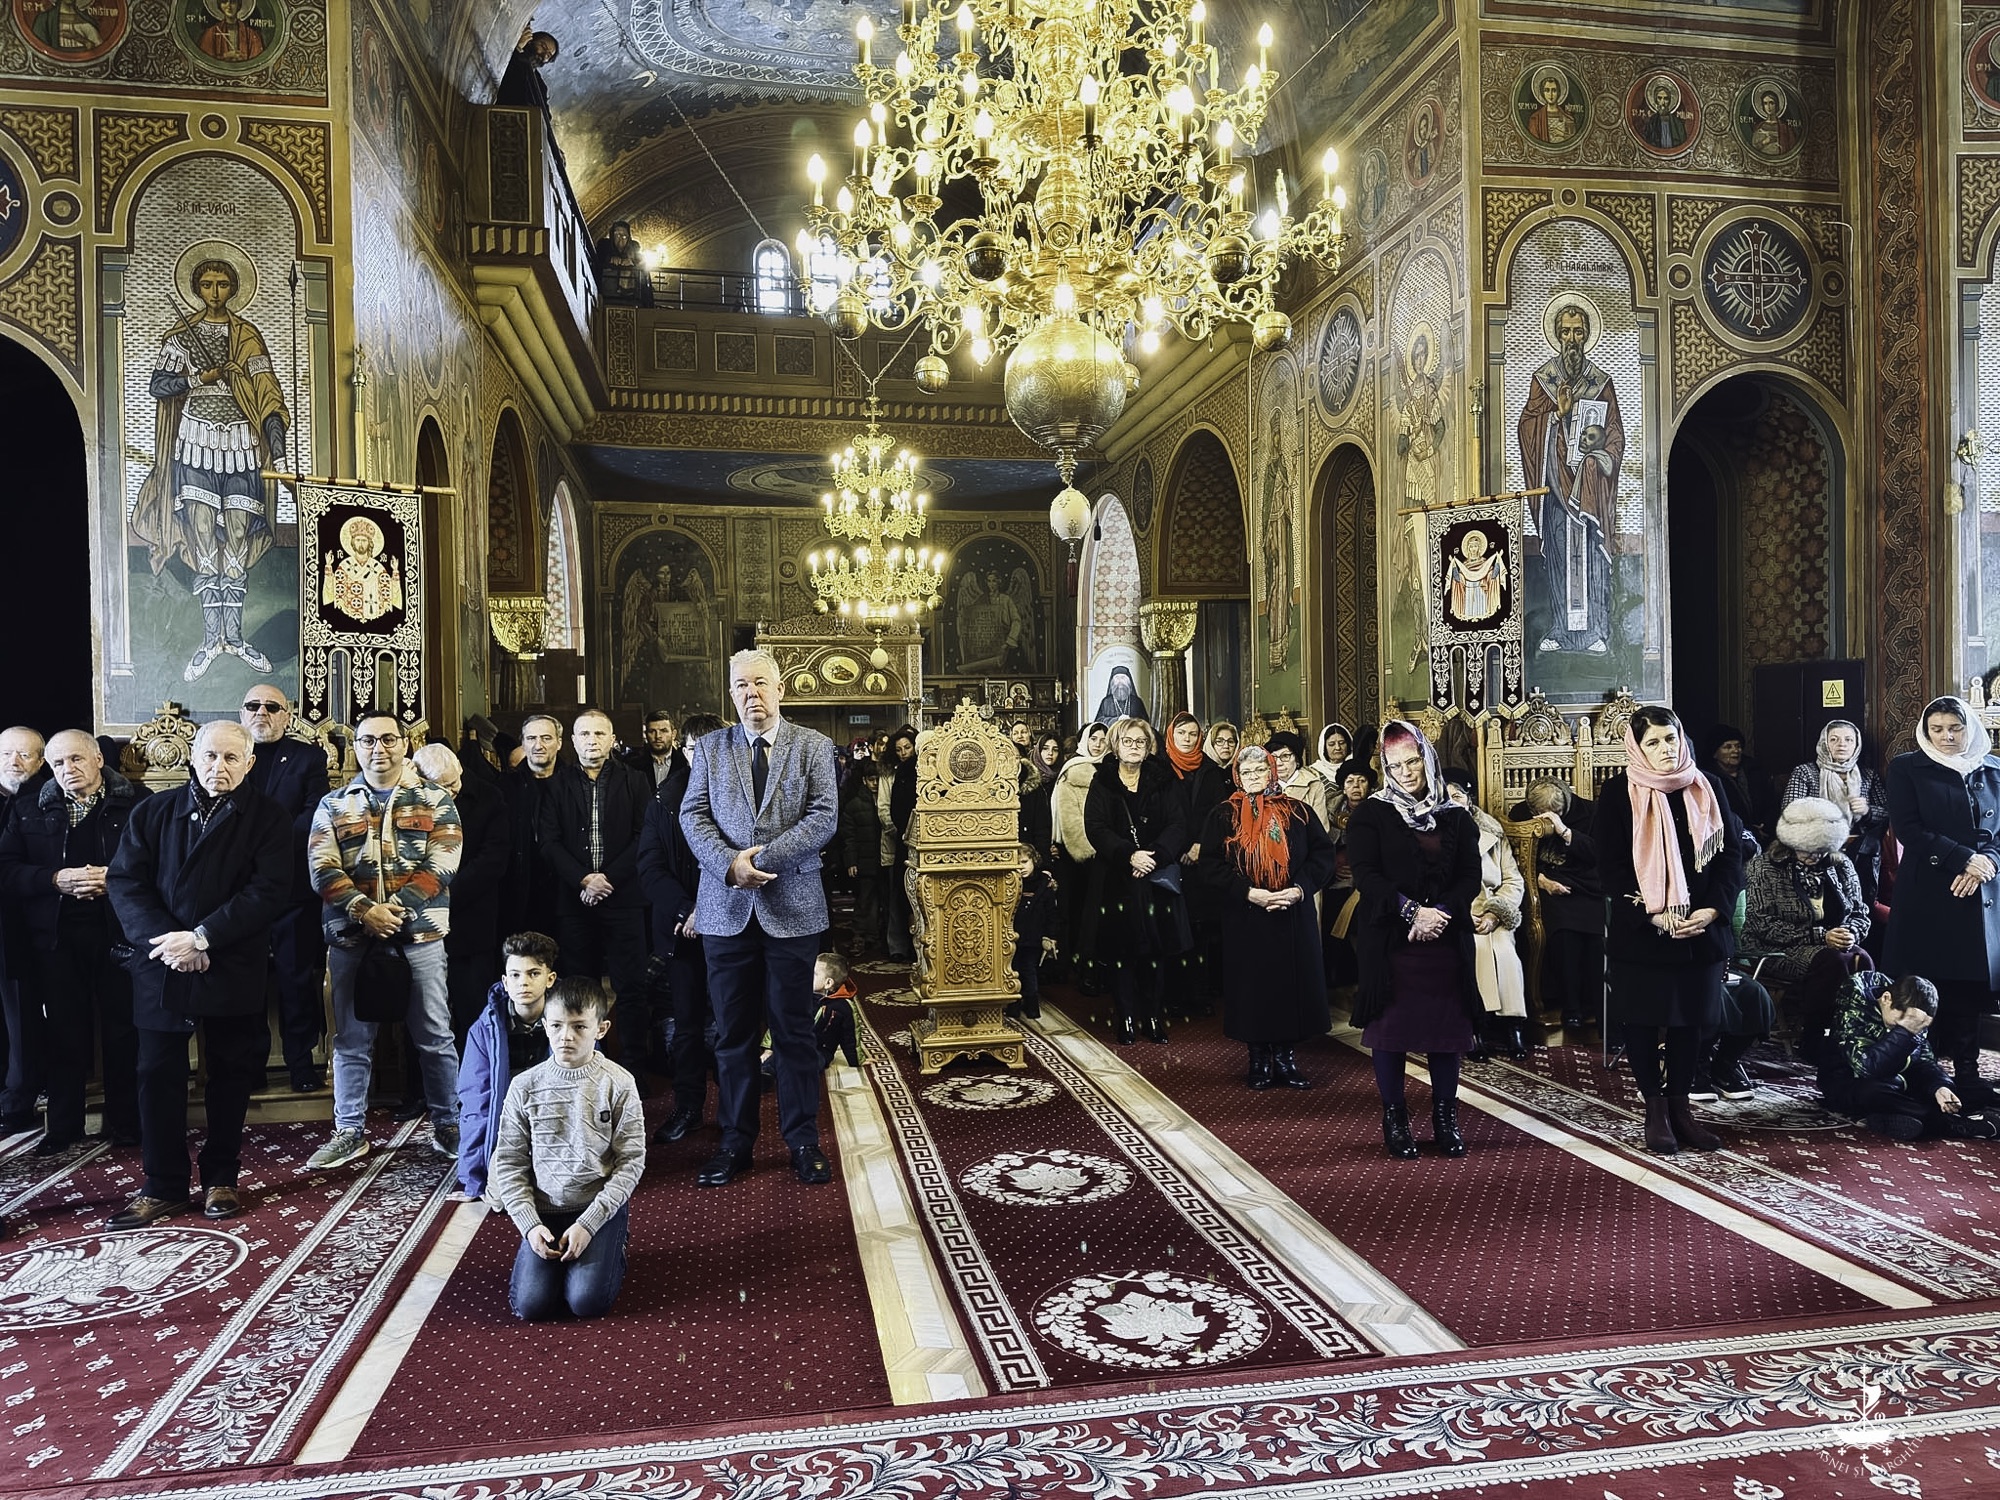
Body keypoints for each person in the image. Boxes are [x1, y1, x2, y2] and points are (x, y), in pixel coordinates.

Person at [105, 722, 291, 1227]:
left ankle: (221, 1179)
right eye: (210, 756)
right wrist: (172, 942)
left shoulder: (269, 818)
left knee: (230, 1073)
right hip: (162, 960)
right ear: (193, 757)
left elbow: (268, 892)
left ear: (249, 763)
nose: (218, 767)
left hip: (228, 959)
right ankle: (162, 1185)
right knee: (156, 1074)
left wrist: (204, 937)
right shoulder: (153, 811)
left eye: (231, 758)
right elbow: (126, 883)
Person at [679, 649, 841, 1187]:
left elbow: (824, 817)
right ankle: (735, 1142)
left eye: (761, 683)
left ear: (780, 689)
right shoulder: (711, 748)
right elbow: (693, 815)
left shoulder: (813, 746)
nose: (752, 693)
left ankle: (803, 1141)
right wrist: (730, 865)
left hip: (792, 908)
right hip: (725, 911)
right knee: (732, 1035)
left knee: (794, 1032)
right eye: (742, 685)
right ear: (731, 693)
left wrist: (761, 861)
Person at [305, 714, 462, 1172]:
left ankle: (449, 1123)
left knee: (434, 1035)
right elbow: (322, 868)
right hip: (352, 938)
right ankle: (349, 1131)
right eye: (369, 740)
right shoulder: (334, 804)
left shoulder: (435, 800)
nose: (379, 748)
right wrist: (363, 911)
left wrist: (391, 911)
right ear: (356, 746)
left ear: (405, 744)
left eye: (389, 739)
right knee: (351, 1040)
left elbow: (443, 863)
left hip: (420, 936)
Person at [1598, 705, 1746, 1156]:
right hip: (1644, 933)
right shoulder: (1617, 792)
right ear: (1637, 748)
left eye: (1671, 739)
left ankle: (1682, 1109)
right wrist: (1652, 913)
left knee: (1691, 1024)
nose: (1665, 749)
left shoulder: (1708, 784)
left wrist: (1713, 910)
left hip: (1700, 931)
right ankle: (1656, 1111)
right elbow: (1610, 867)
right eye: (1653, 742)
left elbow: (1730, 857)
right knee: (1643, 1023)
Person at [132, 256, 289, 681]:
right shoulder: (181, 336)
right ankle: (209, 641)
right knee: (202, 535)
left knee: (237, 536)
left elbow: (268, 396)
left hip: (240, 442)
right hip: (196, 440)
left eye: (222, 284)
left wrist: (277, 452)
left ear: (233, 288)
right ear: (197, 289)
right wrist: (199, 380)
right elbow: (159, 385)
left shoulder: (248, 337)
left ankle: (234, 639)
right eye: (207, 284)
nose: (215, 291)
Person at [0, 731, 147, 1154]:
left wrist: (114, 878)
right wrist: (53, 879)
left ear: (98, 759)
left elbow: (160, 863)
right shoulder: (28, 806)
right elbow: (6, 869)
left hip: (119, 933)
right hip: (56, 939)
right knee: (64, 1033)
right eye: (59, 763)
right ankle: (63, 1127)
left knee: (123, 1031)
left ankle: (126, 1123)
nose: (68, 770)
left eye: (77, 760)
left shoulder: (137, 802)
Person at [1345, 721, 1482, 1159]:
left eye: (1412, 762)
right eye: (1395, 765)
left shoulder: (1456, 815)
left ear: (1427, 758)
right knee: (1391, 1032)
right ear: (1384, 768)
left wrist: (1439, 913)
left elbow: (1470, 876)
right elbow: (1366, 876)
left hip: (1445, 938)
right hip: (1391, 938)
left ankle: (1445, 1118)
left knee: (1446, 1031)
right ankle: (1396, 1118)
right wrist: (1411, 912)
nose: (1405, 772)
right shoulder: (1370, 814)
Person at [489, 976, 646, 1322]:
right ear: (545, 1026)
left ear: (601, 1029)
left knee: (586, 1302)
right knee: (531, 1305)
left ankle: (613, 1242)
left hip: (596, 1206)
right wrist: (530, 1225)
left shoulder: (619, 1083)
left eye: (579, 1027)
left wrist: (589, 1224)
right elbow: (510, 1162)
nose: (566, 1037)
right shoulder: (523, 1086)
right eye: (557, 1026)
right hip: (544, 1210)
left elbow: (631, 1161)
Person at [1884, 695, 2000, 1108]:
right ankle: (1921, 1075)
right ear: (1925, 731)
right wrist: (1963, 858)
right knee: (1925, 984)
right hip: (1930, 892)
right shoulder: (1906, 768)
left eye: (1955, 728)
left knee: (1969, 987)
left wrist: (1987, 862)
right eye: (1937, 729)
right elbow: (1908, 828)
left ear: (1969, 728)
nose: (1947, 737)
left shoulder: (1993, 768)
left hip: (1979, 892)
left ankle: (1968, 1074)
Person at [1198, 744, 1336, 1088]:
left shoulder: (1299, 811)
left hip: (1291, 911)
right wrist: (1248, 892)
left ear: (1272, 771)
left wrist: (1299, 889)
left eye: (1260, 770)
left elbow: (1322, 856)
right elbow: (1210, 865)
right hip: (1247, 914)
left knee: (1290, 986)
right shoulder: (1223, 815)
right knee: (1254, 987)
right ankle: (1258, 1059)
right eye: (1246, 772)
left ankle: (1286, 1059)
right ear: (1237, 776)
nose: (1254, 777)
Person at [539, 710, 653, 1078]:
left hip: (624, 898)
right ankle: (585, 1068)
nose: (592, 740)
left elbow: (644, 836)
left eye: (599, 734)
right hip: (574, 901)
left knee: (631, 987)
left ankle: (634, 1071)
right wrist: (584, 880)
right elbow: (549, 842)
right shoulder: (557, 784)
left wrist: (606, 879)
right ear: (573, 741)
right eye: (585, 734)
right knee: (579, 987)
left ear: (612, 739)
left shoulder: (635, 781)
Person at [637, 710, 725, 1144]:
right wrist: (687, 910)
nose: (701, 756)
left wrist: (706, 910)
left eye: (711, 748)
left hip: (729, 924)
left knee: (732, 1023)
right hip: (681, 928)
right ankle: (688, 1106)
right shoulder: (664, 798)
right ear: (683, 751)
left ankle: (733, 1110)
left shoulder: (740, 794)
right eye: (693, 749)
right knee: (686, 1024)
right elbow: (650, 867)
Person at [238, 686, 331, 1092]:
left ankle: (300, 1064)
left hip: (292, 889)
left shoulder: (308, 758)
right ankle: (251, 1066)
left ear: (287, 715)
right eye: (253, 706)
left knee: (296, 981)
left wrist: (267, 845)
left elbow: (314, 813)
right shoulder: (227, 753)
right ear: (242, 713)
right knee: (248, 983)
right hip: (240, 892)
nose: (262, 712)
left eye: (272, 707)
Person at [1517, 300, 1623, 656]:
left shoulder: (1601, 383)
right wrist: (1557, 416)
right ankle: (1561, 630)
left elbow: (1615, 434)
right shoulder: (1544, 380)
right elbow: (1527, 426)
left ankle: (1594, 632)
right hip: (1556, 490)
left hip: (1589, 489)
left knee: (1590, 554)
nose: (1572, 339)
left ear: (1587, 335)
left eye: (1578, 332)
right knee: (1560, 554)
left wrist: (1598, 458)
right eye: (1566, 332)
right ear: (1558, 336)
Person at [1082, 717, 1191, 1044]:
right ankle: (1126, 1016)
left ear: (1148, 746)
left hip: (1155, 878)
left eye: (1140, 742)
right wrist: (1130, 855)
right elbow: (1096, 827)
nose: (1134, 747)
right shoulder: (1102, 780)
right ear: (1116, 746)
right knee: (1122, 951)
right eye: (1127, 741)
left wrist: (1153, 856)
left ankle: (1153, 1016)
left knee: (1155, 950)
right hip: (1117, 879)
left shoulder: (1163, 778)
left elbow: (1178, 824)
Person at [1819, 972, 1997, 1141]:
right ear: (1886, 998)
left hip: (1900, 1081)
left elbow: (1925, 1061)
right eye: (1905, 1022)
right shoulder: (1854, 1007)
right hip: (1850, 1083)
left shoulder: (1915, 1014)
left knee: (1977, 1090)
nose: (1913, 1027)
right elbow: (1868, 1067)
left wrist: (1939, 1087)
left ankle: (1900, 1117)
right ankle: (1950, 1124)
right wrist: (1905, 1031)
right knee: (1873, 1093)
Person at [415, 744, 510, 1042]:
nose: (453, 791)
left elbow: (492, 860)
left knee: (474, 1012)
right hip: (422, 924)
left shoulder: (489, 797)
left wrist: (444, 896)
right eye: (442, 787)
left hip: (471, 920)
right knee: (427, 1016)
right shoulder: (409, 800)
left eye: (455, 781)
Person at [454, 931, 557, 1202]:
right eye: (515, 975)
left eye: (533, 974)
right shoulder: (483, 1031)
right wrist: (473, 1179)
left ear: (550, 979)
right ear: (505, 981)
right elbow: (476, 1105)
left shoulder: (570, 1021)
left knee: (562, 1193)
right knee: (501, 1197)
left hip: (557, 1127)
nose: (523, 982)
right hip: (509, 1128)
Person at [1442, 769, 1531, 1059]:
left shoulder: (1492, 832)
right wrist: (1462, 914)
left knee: (1506, 951)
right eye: (1446, 797)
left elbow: (1513, 880)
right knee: (1477, 950)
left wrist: (1496, 913)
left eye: (1457, 796)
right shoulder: (1436, 834)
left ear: (1469, 799)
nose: (1452, 802)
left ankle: (1513, 1026)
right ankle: (1475, 1026)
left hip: (1494, 911)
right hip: (1460, 913)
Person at [1743, 797, 1869, 986]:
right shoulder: (1763, 867)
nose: (1814, 856)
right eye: (1807, 849)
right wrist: (1820, 936)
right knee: (1833, 963)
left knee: (1862, 961)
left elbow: (1860, 913)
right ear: (1791, 842)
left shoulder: (1841, 865)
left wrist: (1850, 933)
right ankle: (1818, 1007)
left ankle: (1854, 1007)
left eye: (1821, 850)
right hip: (1775, 948)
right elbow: (1761, 924)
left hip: (1831, 947)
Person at [1781, 720, 1890, 906]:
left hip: (1860, 848)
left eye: (1849, 740)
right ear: (1825, 743)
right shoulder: (1806, 772)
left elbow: (1888, 814)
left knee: (1861, 898)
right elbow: (1789, 811)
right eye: (1834, 739)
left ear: (1856, 745)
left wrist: (1867, 811)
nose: (1842, 744)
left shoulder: (1867, 775)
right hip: (1816, 846)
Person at [0, 727, 50, 1134]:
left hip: (23, 927)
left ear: (40, 761)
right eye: (5, 754)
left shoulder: (46, 801)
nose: (13, 762)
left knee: (22, 1019)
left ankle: (17, 1101)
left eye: (24, 755)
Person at [1052, 724, 1107, 990]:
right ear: (1084, 741)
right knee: (1076, 911)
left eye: (1103, 739)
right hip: (1077, 854)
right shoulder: (1073, 770)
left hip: (1105, 854)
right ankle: (1076, 966)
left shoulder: (1109, 769)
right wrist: (1090, 849)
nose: (1098, 744)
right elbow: (1069, 819)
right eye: (1093, 738)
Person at [503, 713, 565, 939]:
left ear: (559, 742)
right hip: (518, 890)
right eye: (531, 738)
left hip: (564, 890)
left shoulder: (573, 783)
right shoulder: (504, 787)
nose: (538, 745)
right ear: (523, 743)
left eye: (546, 738)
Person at [1701, 723, 1775, 850]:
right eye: (1728, 747)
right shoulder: (1709, 779)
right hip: (1732, 839)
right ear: (1715, 753)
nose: (1735, 751)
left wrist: (1767, 826)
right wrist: (1750, 830)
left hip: (1765, 835)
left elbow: (1771, 802)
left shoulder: (1755, 771)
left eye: (1738, 746)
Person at [1008, 842, 1058, 1022]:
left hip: (1033, 936)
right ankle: (1013, 1005)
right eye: (1017, 863)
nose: (1021, 867)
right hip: (1013, 936)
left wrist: (1050, 936)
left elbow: (1051, 913)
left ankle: (1032, 1006)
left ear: (1033, 861)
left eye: (1024, 862)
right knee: (1012, 970)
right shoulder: (1010, 883)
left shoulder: (1044, 885)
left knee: (1029, 970)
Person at [839, 761, 884, 957]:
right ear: (865, 781)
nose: (875, 784)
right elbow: (849, 837)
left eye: (878, 780)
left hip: (882, 859)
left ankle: (873, 936)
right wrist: (851, 861)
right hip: (864, 860)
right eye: (872, 780)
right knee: (864, 900)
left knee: (879, 900)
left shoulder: (884, 801)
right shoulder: (855, 805)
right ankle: (859, 935)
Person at [881, 726, 918, 963]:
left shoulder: (920, 770)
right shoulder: (892, 772)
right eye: (899, 749)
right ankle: (899, 947)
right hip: (901, 840)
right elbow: (888, 809)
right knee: (899, 894)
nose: (904, 752)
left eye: (907, 747)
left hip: (921, 840)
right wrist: (903, 831)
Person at [811, 952, 860, 1068]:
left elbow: (850, 1036)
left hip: (820, 1050)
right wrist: (770, 1048)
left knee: (811, 1064)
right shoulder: (799, 996)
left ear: (828, 983)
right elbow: (781, 1021)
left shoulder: (842, 1007)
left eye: (814, 974)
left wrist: (856, 1061)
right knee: (777, 1060)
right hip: (792, 1045)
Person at [594, 221, 655, 308]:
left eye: (624, 236)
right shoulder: (605, 246)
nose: (621, 239)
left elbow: (642, 262)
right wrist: (610, 259)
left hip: (631, 296)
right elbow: (598, 259)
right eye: (617, 235)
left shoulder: (634, 249)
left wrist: (632, 262)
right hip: (609, 293)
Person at [622, 710, 682, 789]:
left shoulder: (685, 763)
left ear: (673, 734)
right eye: (652, 731)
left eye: (663, 731)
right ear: (646, 734)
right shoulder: (631, 764)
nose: (658, 736)